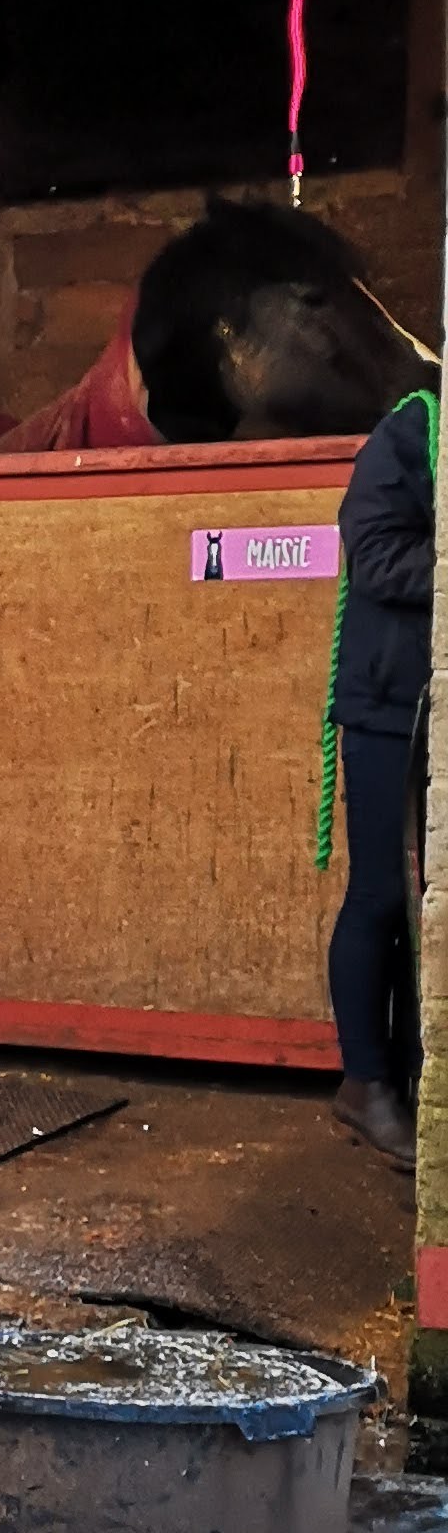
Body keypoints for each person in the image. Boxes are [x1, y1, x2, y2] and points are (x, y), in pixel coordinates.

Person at [326, 388, 436, 1162]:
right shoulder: (413, 430)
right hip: (388, 703)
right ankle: (364, 1083)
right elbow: (377, 557)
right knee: (379, 894)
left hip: (430, 704)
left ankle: (404, 1073)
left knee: (423, 901)